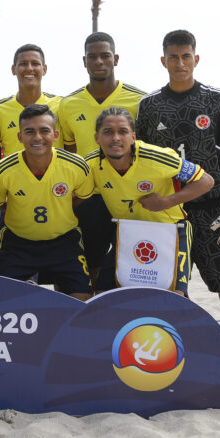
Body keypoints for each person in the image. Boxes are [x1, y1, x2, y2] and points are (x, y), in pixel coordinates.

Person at [136, 29, 220, 375]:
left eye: (186, 56)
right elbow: (141, 158)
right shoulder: (149, 105)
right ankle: (172, 372)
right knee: (170, 298)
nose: (180, 63)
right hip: (169, 215)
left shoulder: (218, 100)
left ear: (195, 59)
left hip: (214, 211)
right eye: (173, 57)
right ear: (163, 60)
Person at [87, 107, 215, 296]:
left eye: (122, 132)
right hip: (127, 233)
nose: (115, 138)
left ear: (133, 137)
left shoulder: (157, 157)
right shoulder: (90, 164)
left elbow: (206, 181)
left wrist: (166, 202)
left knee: (174, 299)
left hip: (169, 231)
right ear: (97, 138)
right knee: (102, 295)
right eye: (108, 132)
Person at [57, 32, 146, 282]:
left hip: (129, 195)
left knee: (132, 266)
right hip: (89, 197)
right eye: (92, 57)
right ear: (84, 61)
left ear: (115, 59)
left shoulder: (140, 100)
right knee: (89, 266)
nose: (99, 61)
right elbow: (68, 154)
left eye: (105, 56)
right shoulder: (68, 104)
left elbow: (147, 152)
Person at [0, 104, 94, 300]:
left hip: (64, 242)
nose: (37, 137)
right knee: (2, 303)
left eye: (44, 131)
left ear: (55, 135)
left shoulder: (76, 165)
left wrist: (58, 212)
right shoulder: (2, 170)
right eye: (29, 132)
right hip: (18, 244)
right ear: (20, 137)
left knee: (82, 302)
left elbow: (81, 198)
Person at [0, 44, 64, 157]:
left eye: (35, 64)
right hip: (14, 174)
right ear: (13, 69)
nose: (29, 68)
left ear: (44, 69)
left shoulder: (61, 105)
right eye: (23, 64)